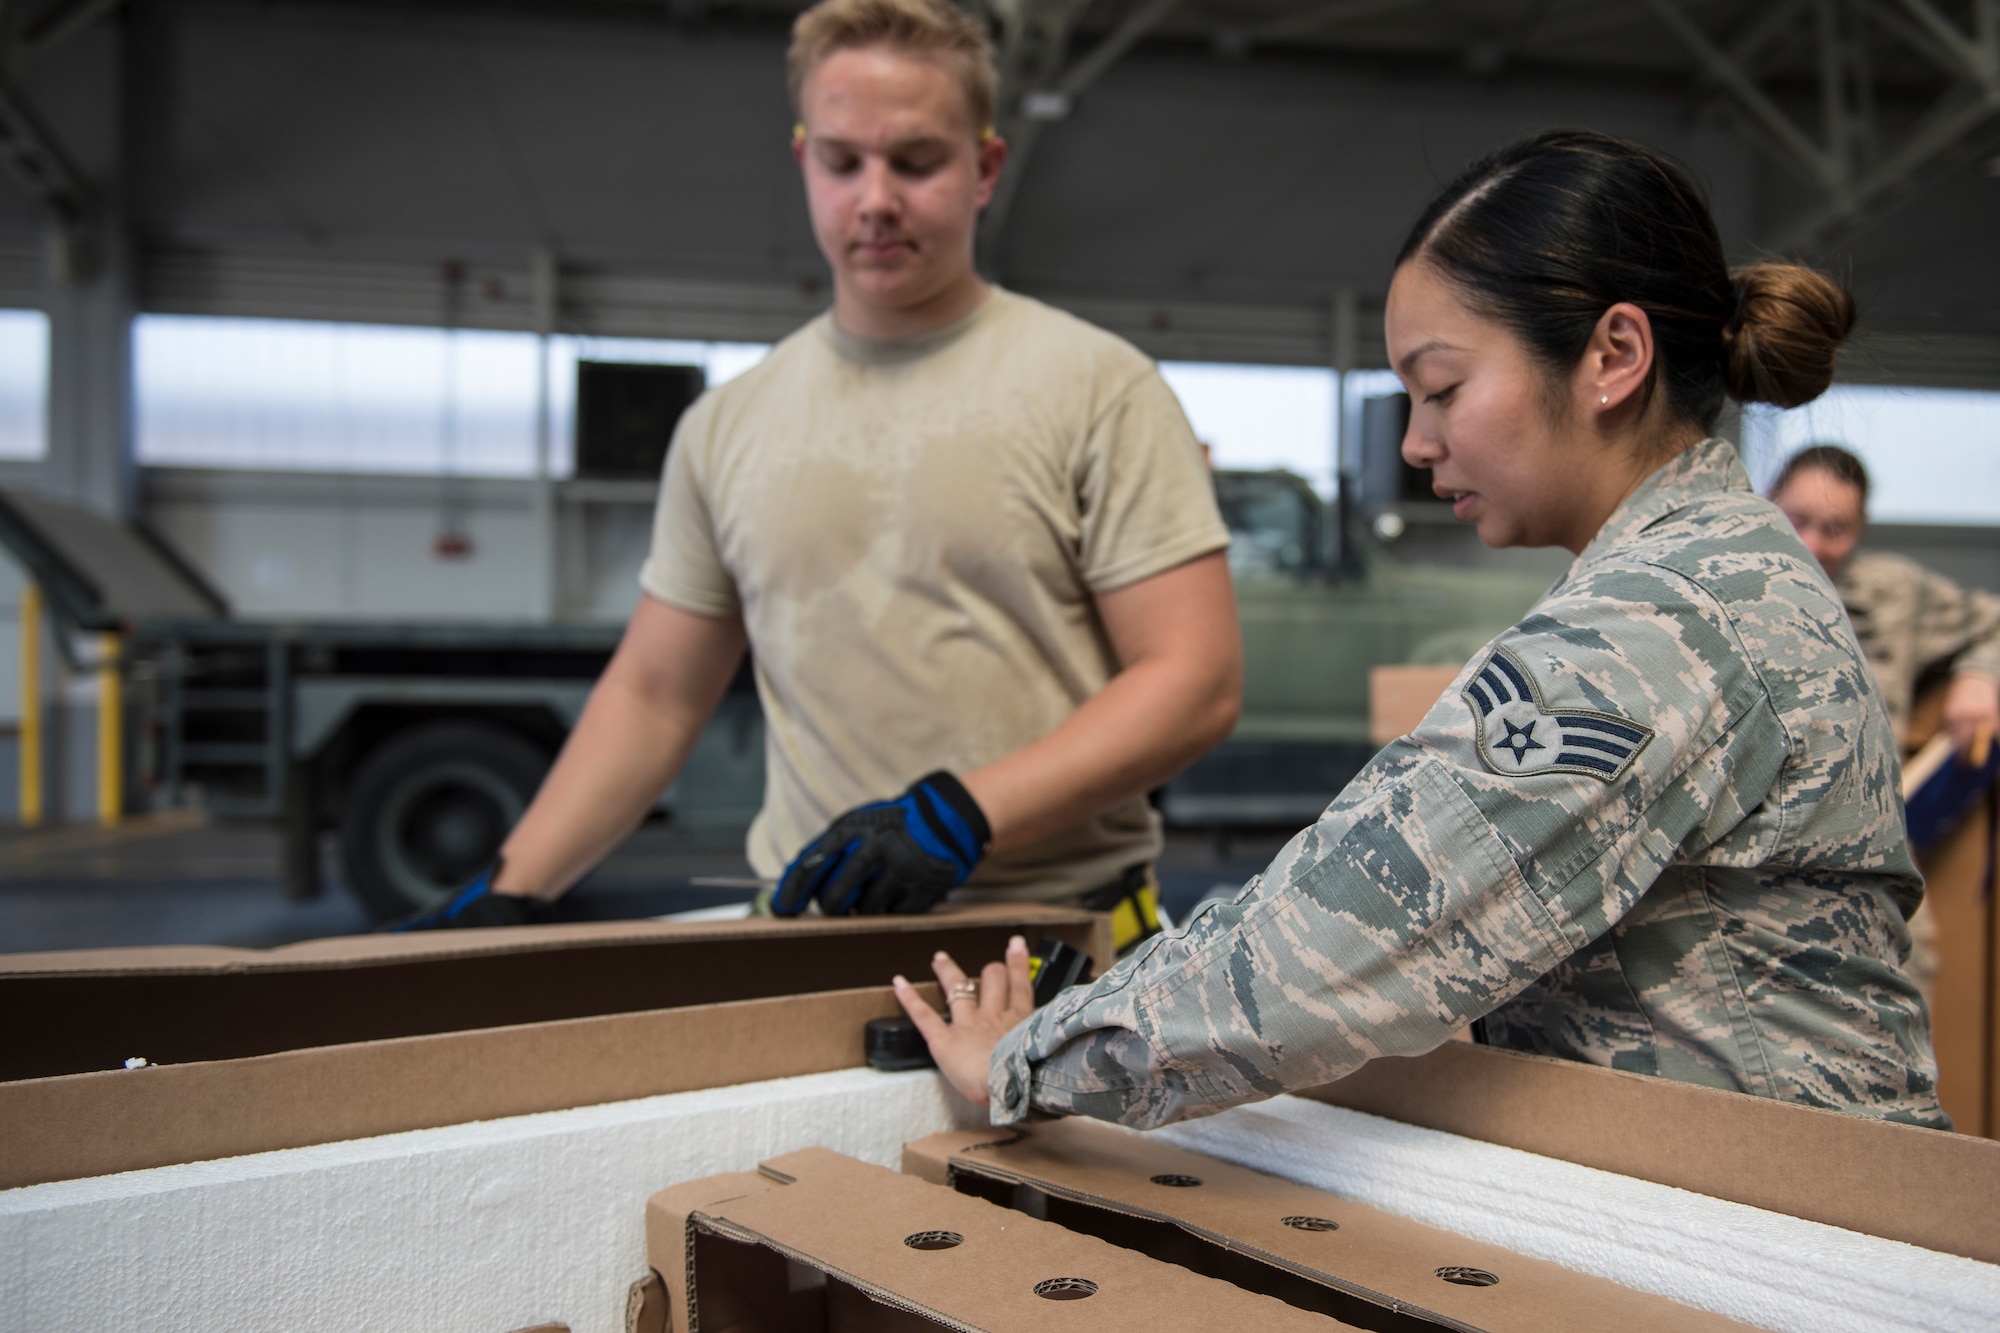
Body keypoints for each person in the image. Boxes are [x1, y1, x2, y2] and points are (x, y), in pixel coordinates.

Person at [896, 129, 1946, 1131]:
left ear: (1612, 356)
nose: (1415, 440)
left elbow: (1345, 935)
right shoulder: (1704, 567)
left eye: (1441, 387)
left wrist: (1027, 1056)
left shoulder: (1664, 618)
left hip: (1775, 1233)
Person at [394, 0, 1241, 937]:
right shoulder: (727, 425)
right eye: (844, 161)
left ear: (985, 168)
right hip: (808, 942)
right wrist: (514, 885)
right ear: (805, 160)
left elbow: (1192, 679)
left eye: (917, 160)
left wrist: (964, 812)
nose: (876, 198)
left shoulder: (1099, 388)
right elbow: (655, 693)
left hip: (1058, 946)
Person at [1768, 444, 2000, 755]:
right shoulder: (1726, 584)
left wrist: (1979, 675)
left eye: (1835, 530)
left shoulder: (1896, 591)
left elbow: (1994, 622)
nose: (1811, 545)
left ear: (1860, 525)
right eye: (1797, 520)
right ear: (1768, 501)